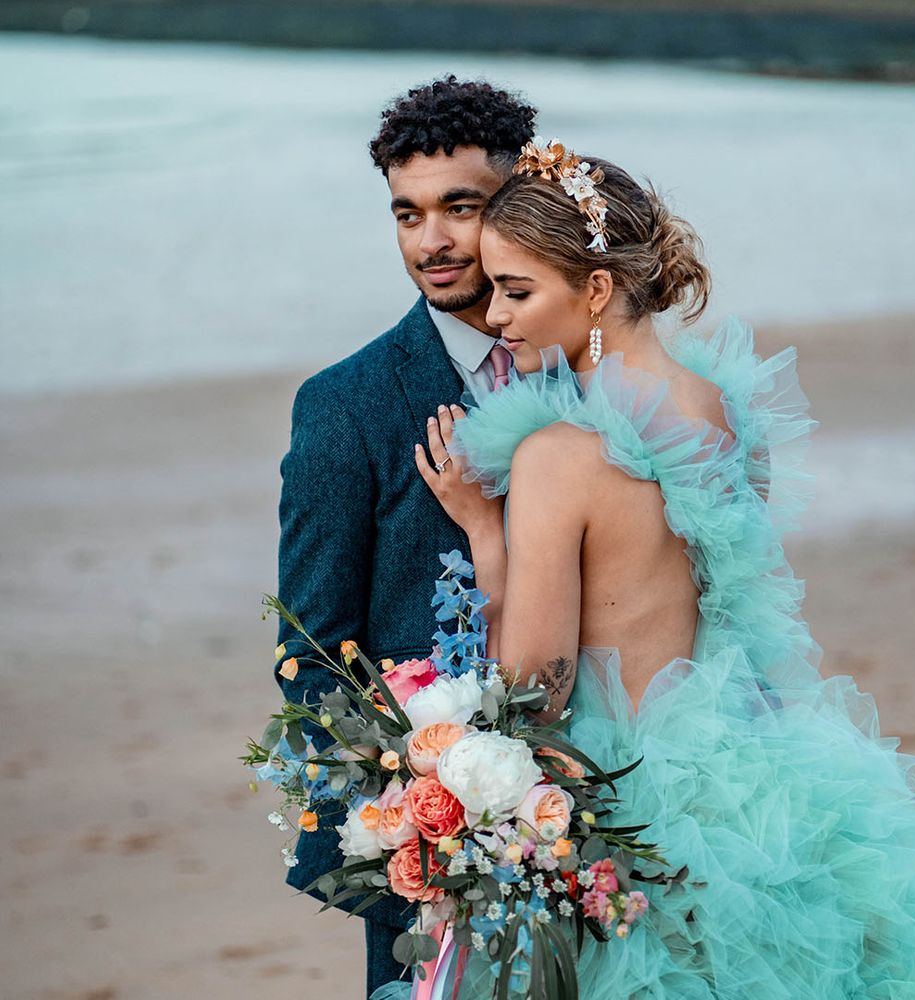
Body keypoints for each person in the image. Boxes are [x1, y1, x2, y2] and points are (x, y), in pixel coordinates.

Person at [415, 141, 915, 996]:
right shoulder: (720, 410)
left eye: (517, 291)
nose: (495, 318)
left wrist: (483, 531)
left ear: (599, 289)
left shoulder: (554, 457)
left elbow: (535, 684)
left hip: (627, 794)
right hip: (746, 771)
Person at [273, 76, 535, 998]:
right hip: (431, 827)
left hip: (589, 795)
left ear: (522, 199)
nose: (431, 242)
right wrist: (397, 822)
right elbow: (310, 643)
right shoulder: (344, 405)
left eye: (460, 208)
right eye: (407, 213)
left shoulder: (582, 375)